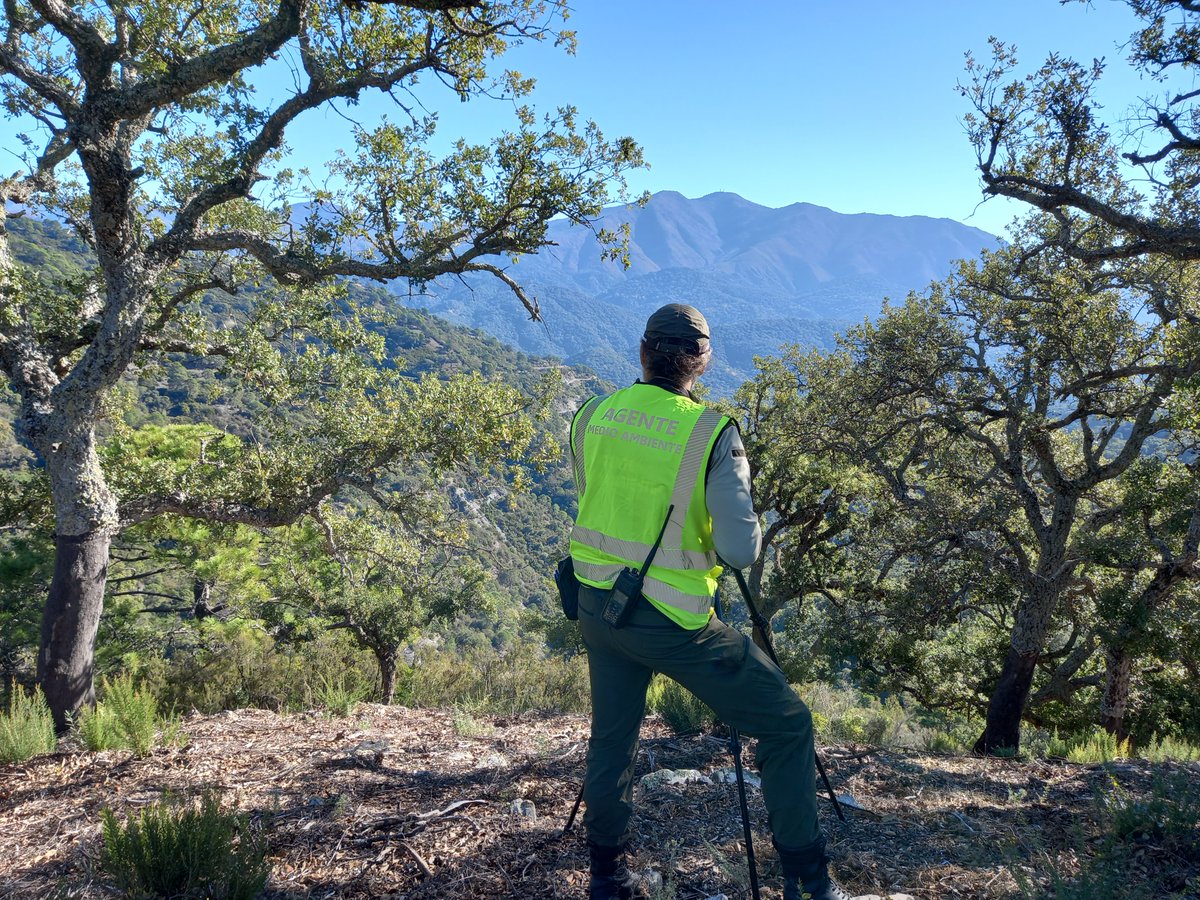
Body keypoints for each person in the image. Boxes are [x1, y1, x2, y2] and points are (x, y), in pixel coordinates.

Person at [568, 303, 852, 900]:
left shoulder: (592, 414)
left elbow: (598, 496)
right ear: (701, 362)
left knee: (612, 737)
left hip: (596, 606)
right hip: (674, 621)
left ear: (642, 353)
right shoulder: (710, 433)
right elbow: (739, 550)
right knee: (787, 723)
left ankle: (604, 875)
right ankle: (807, 876)